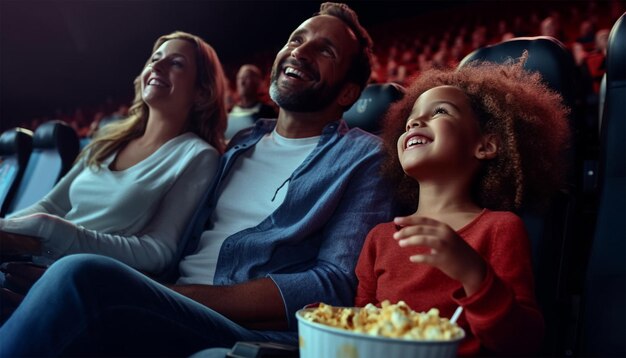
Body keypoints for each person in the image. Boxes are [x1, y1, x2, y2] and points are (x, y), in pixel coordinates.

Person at [0, 3, 394, 356]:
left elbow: (332, 285)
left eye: (325, 51)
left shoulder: (363, 158)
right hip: (164, 297)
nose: (300, 52)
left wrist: (163, 294)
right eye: (297, 38)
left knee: (80, 275)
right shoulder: (241, 143)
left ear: (348, 93)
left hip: (234, 328)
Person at [354, 55, 570, 356]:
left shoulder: (500, 228)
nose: (415, 121)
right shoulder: (378, 238)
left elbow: (523, 342)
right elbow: (359, 328)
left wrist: (474, 274)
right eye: (410, 119)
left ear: (486, 145)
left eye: (440, 111)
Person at [0, 31, 227, 274]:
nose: (157, 66)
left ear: (202, 92)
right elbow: (50, 206)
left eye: (176, 63)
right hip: (33, 262)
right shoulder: (109, 139)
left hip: (80, 279)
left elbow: (159, 251)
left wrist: (55, 234)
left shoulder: (198, 156)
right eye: (154, 59)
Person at [224, 64, 278, 140]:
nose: (242, 82)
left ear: (257, 82)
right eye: (239, 78)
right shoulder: (228, 111)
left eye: (246, 77)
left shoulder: (268, 112)